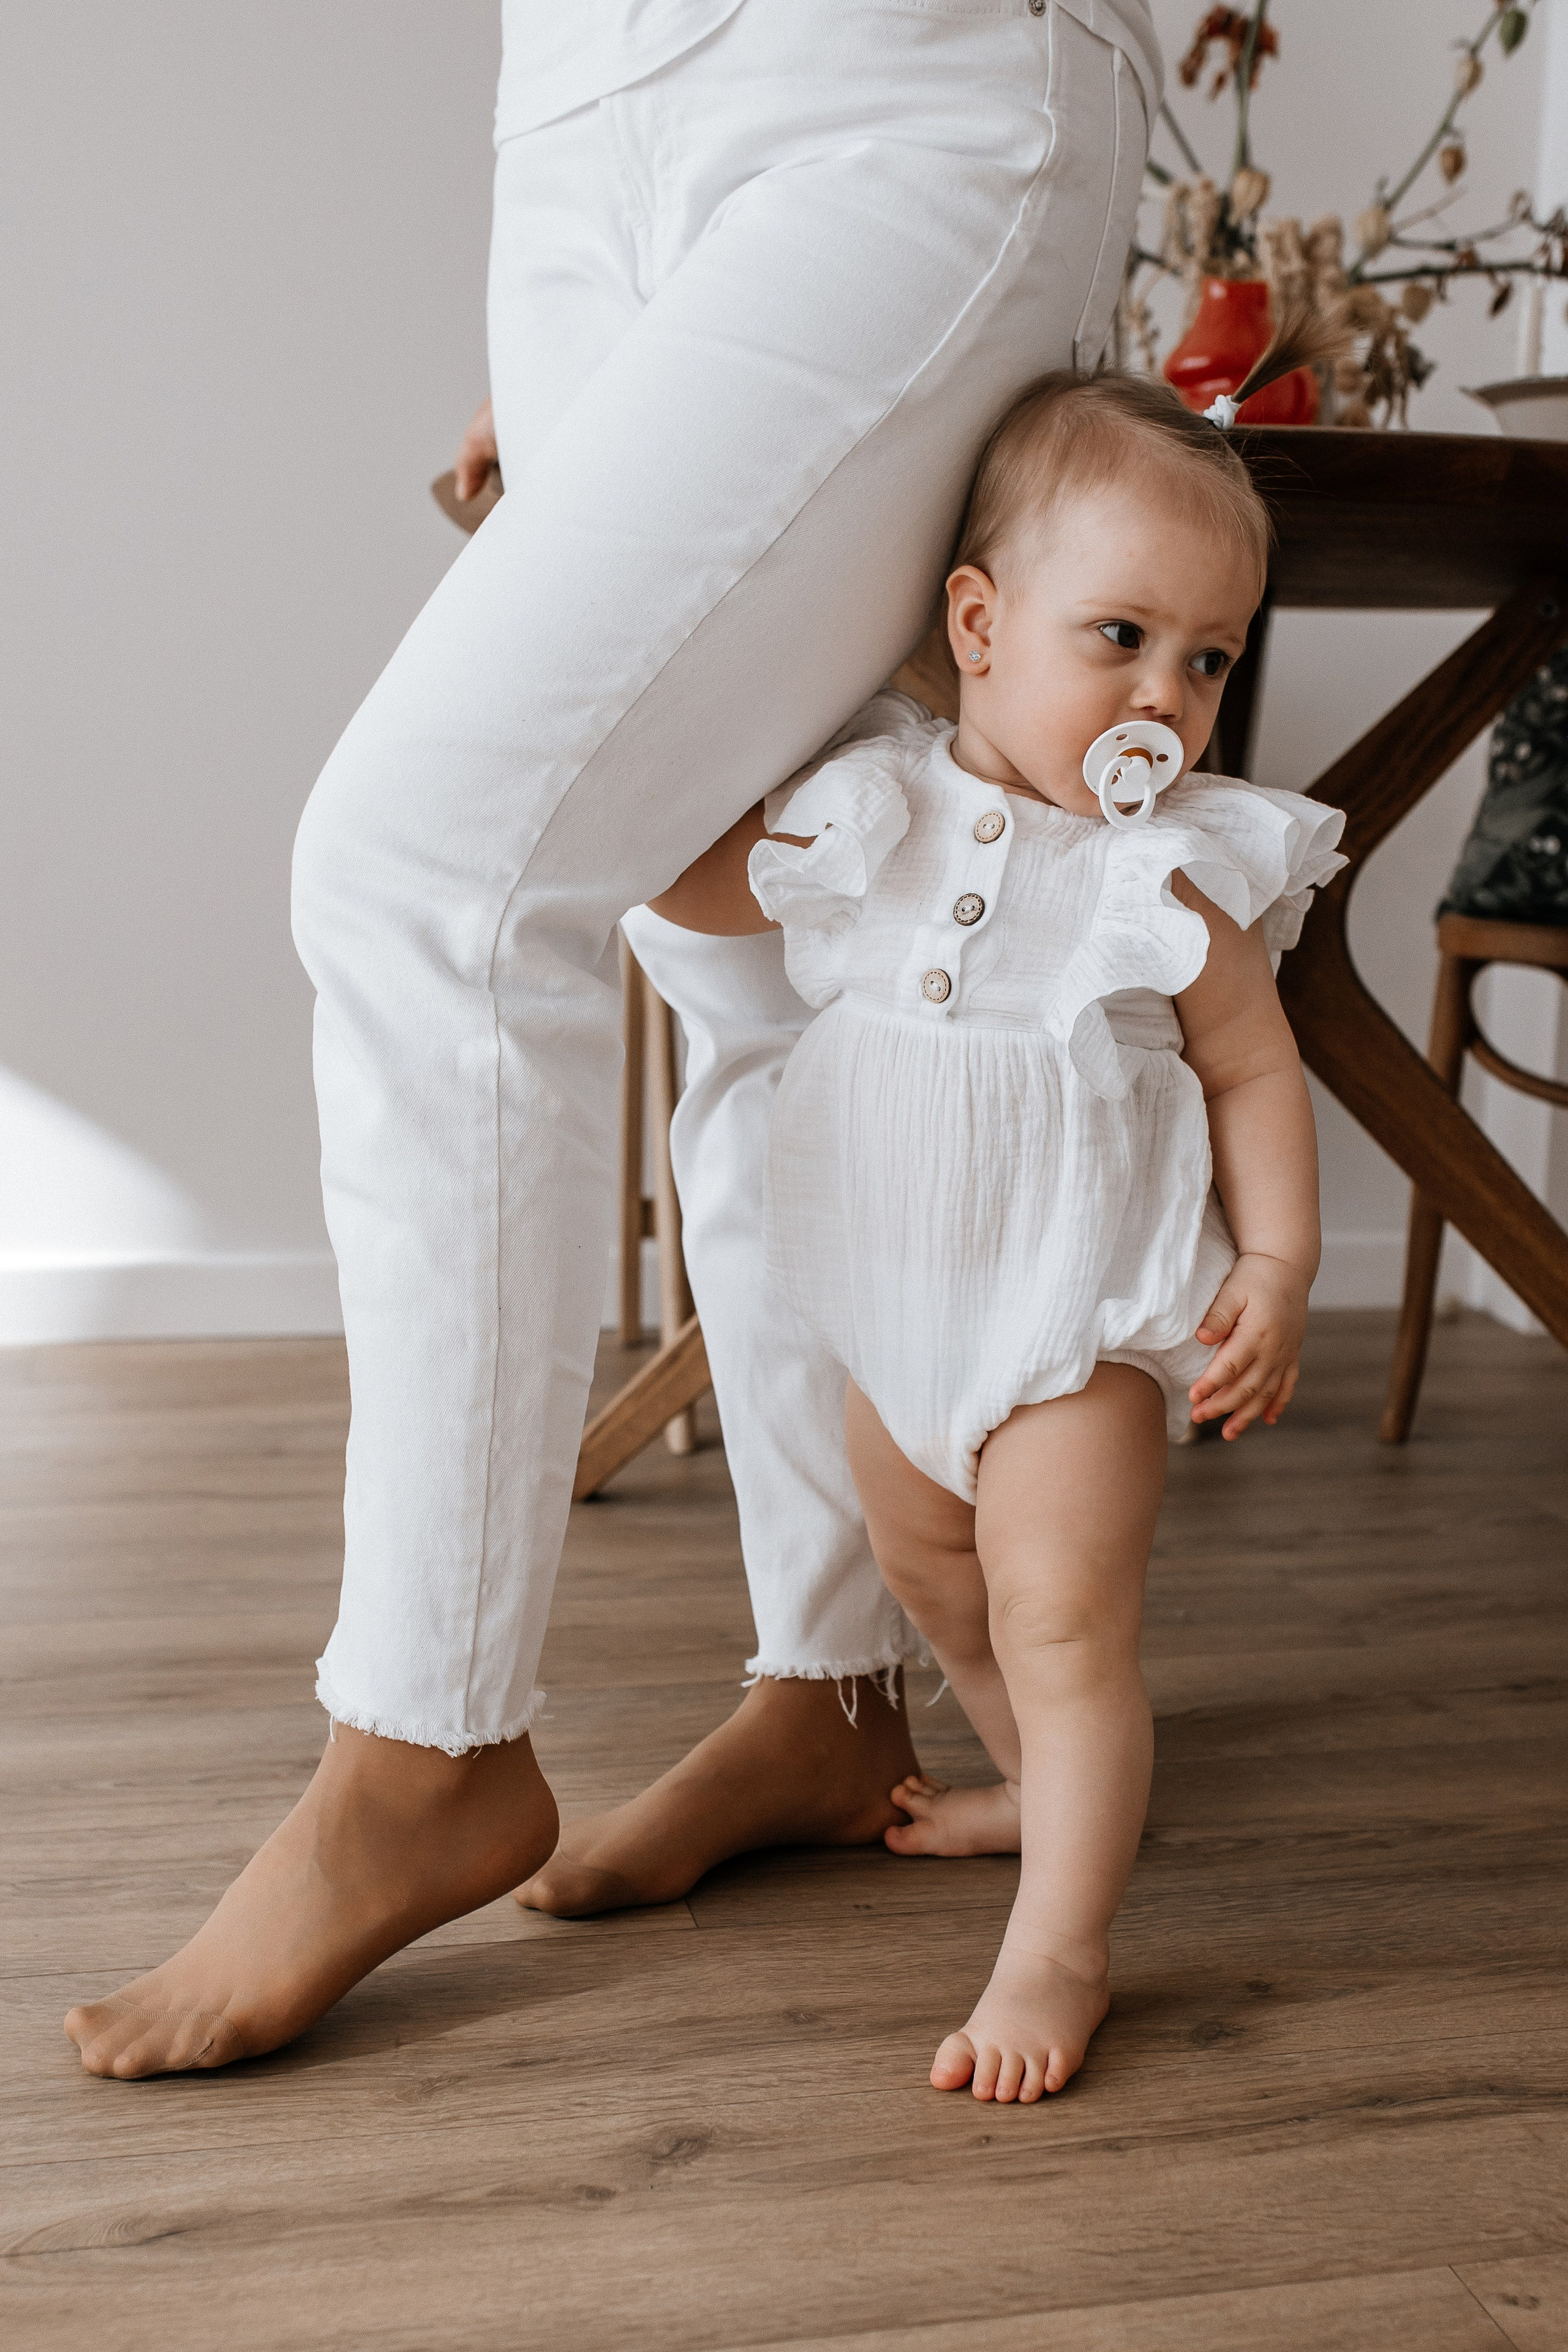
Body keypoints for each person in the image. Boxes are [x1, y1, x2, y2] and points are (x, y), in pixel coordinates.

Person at [64, 0, 1162, 2078]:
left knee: (429, 868)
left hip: (909, 82)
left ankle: (422, 1743)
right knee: (741, 941)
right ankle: (832, 1692)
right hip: (582, 114)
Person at [642, 367, 1346, 2099]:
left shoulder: (1170, 875)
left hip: (1070, 1319)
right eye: (1119, 636)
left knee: (1060, 1618)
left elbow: (1257, 1071)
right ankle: (1043, 1787)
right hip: (890, 1310)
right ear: (977, 619)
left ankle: (1063, 1944)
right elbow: (685, 880)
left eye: (1207, 660)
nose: (1164, 700)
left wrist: (1276, 1264)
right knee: (935, 1578)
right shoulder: (867, 806)